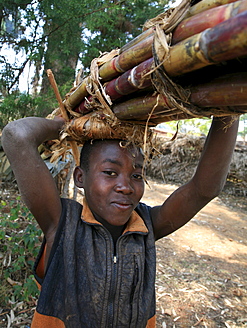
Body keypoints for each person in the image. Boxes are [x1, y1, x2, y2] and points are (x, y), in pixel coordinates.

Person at [2, 115, 239, 328]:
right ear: (80, 177)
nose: (126, 187)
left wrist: (228, 110)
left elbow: (204, 189)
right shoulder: (62, 223)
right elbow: (16, 136)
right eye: (110, 173)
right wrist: (69, 126)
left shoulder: (147, 225)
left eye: (136, 175)